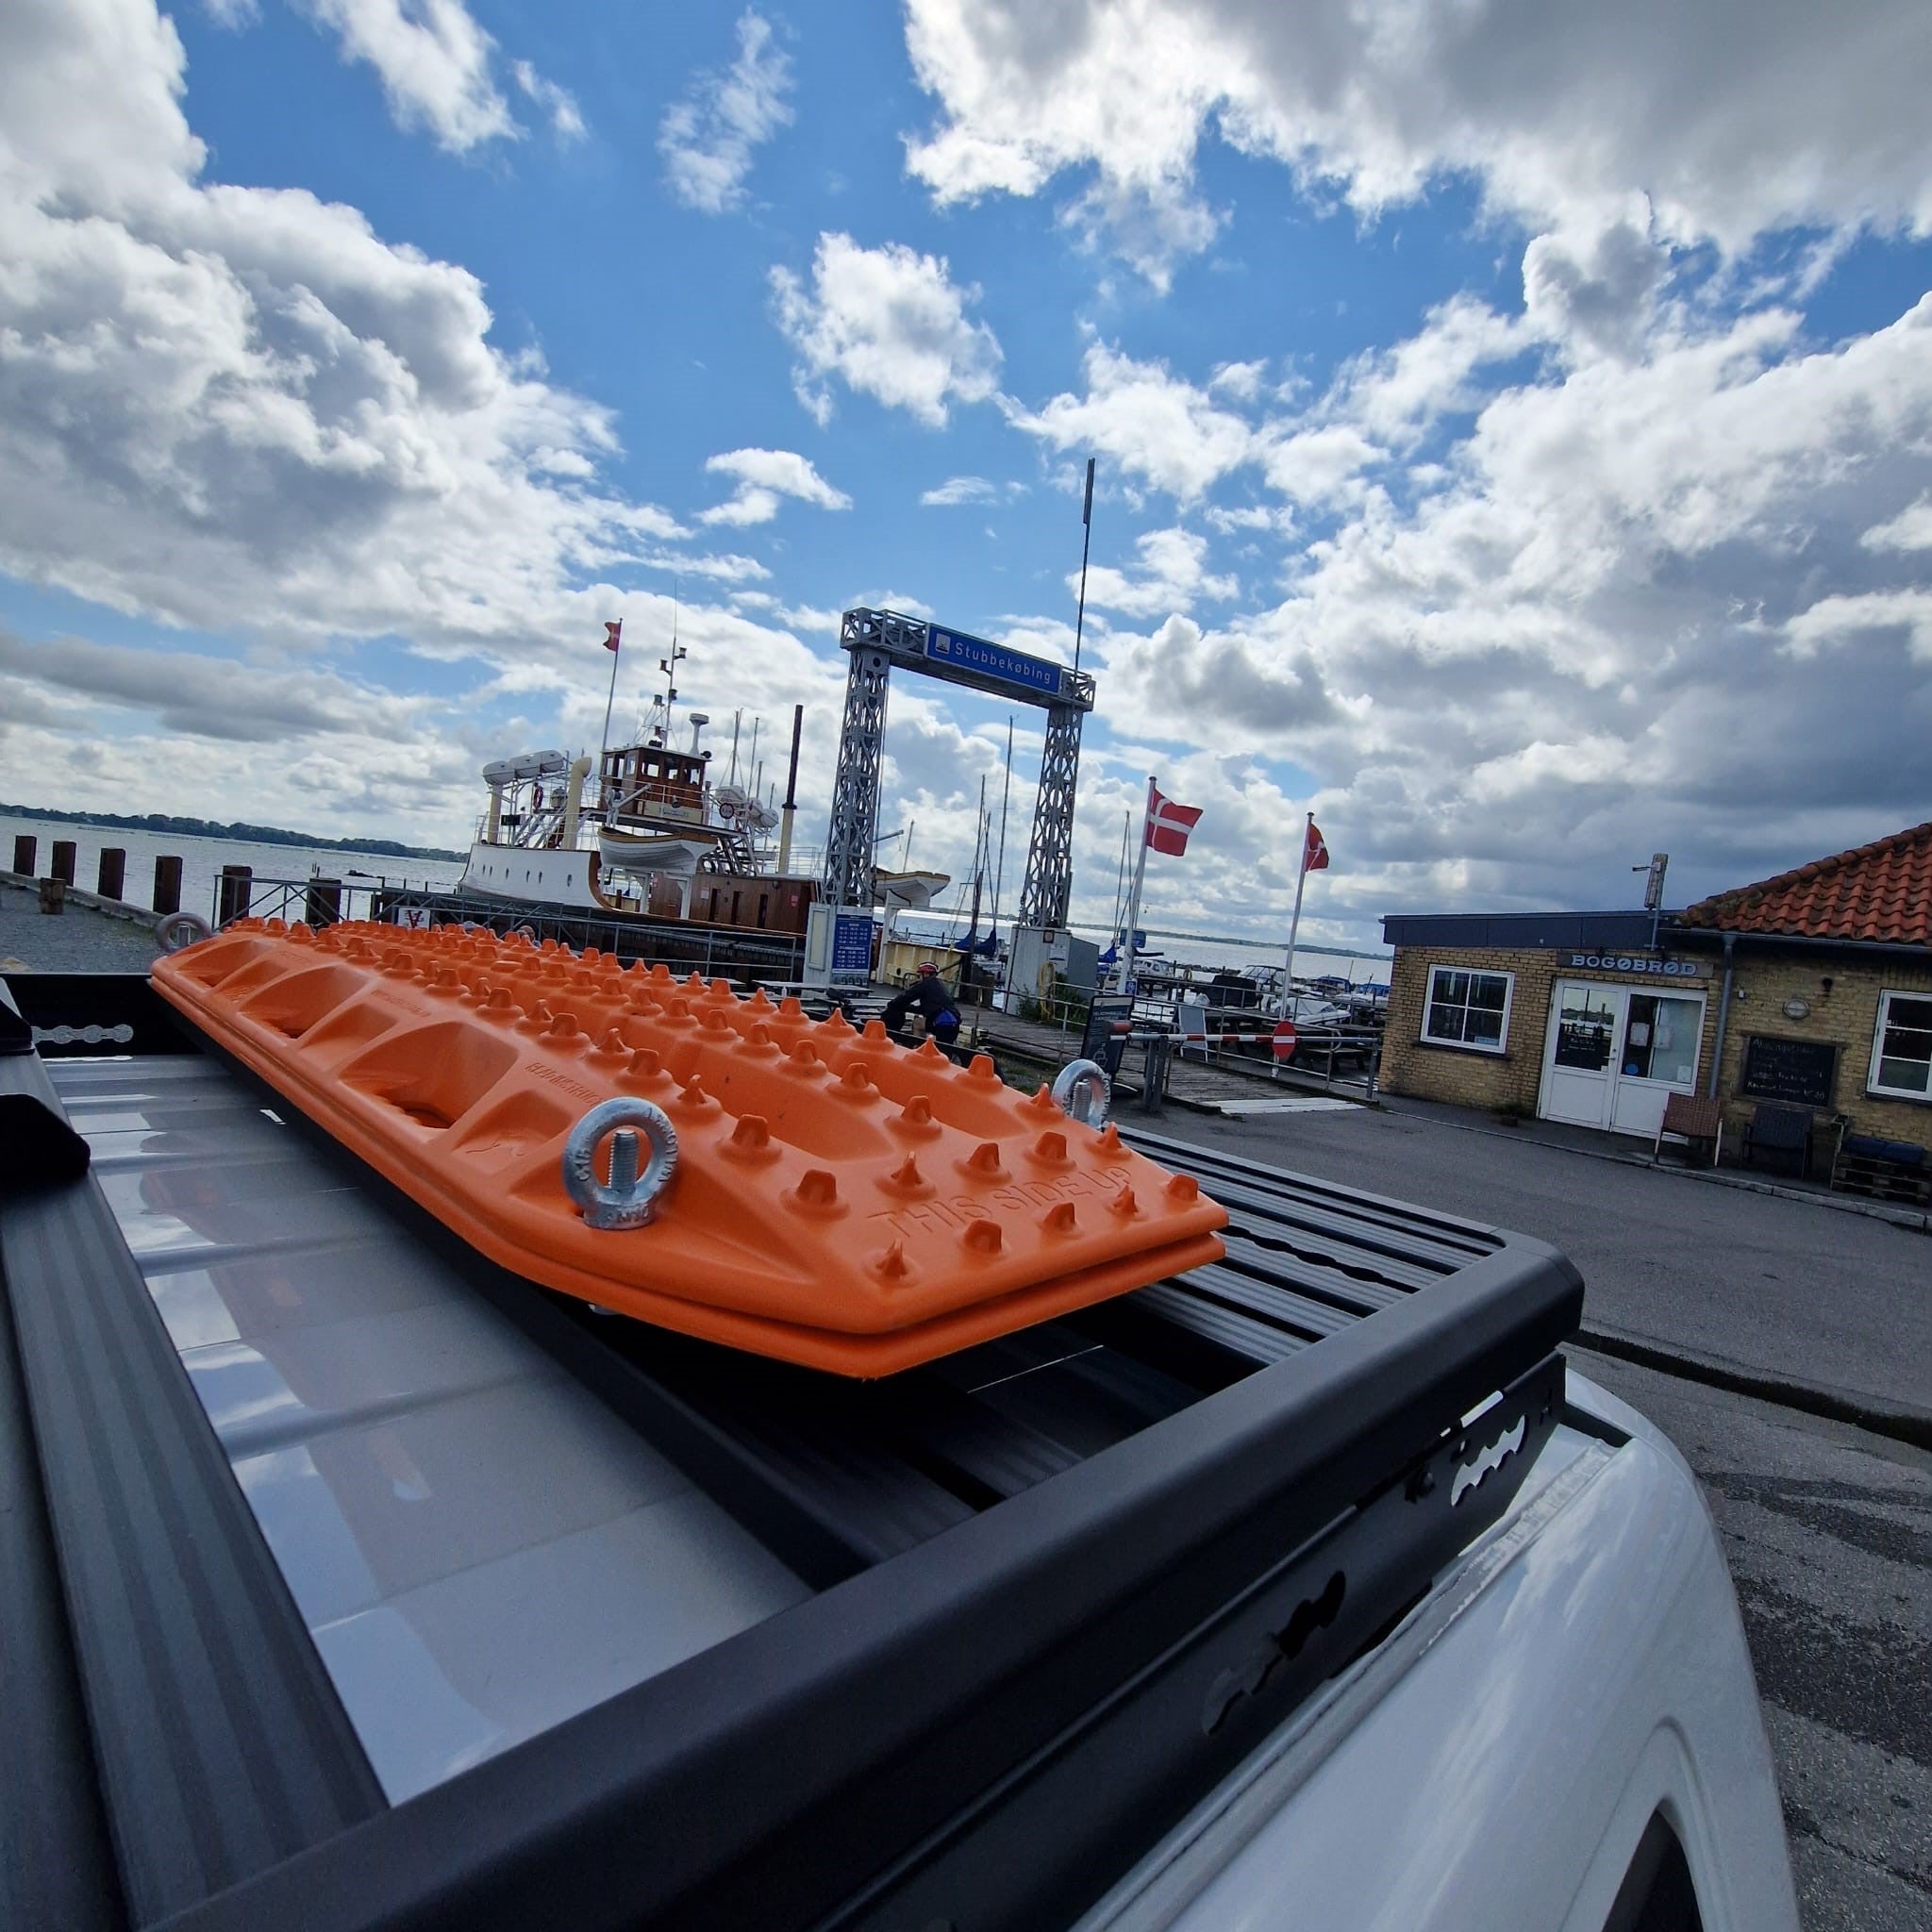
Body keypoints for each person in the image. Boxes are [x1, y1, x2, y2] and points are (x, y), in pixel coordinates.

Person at [882, 962, 960, 1047]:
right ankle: (922, 1048)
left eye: (919, 975)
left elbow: (906, 997)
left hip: (941, 1024)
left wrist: (892, 1004)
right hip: (954, 1023)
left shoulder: (925, 984)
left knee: (917, 1024)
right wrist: (907, 1008)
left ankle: (917, 1048)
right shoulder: (941, 985)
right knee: (919, 1023)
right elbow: (926, 1009)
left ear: (925, 974)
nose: (919, 978)